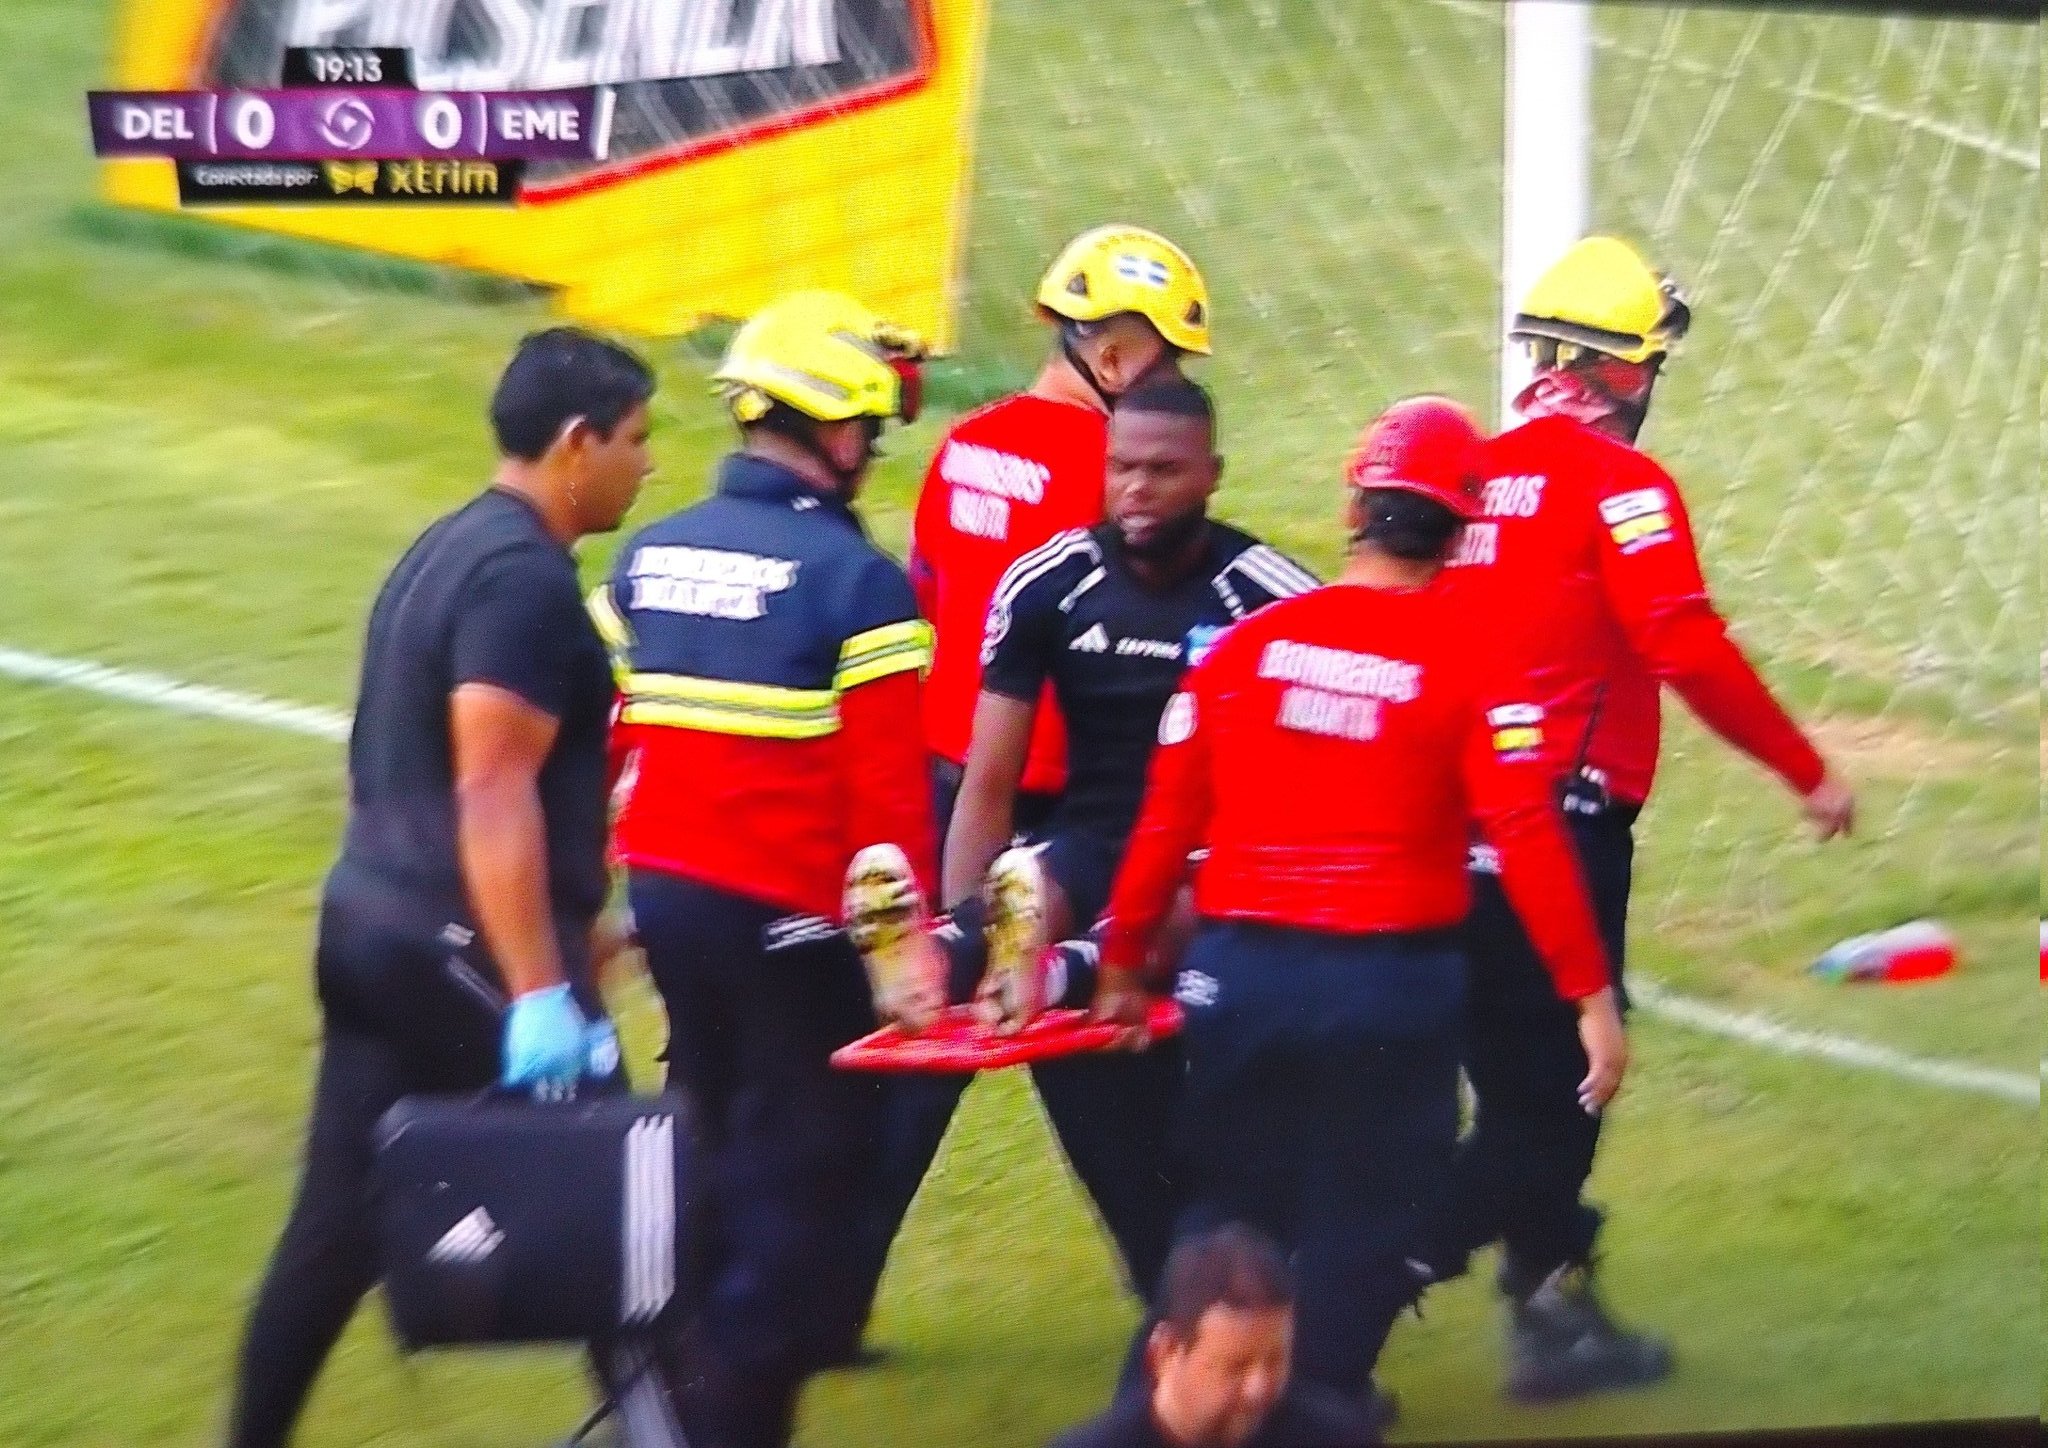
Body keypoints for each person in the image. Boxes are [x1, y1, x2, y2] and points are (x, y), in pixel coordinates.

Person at [1094, 396, 1627, 1417]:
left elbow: (1162, 824)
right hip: (1388, 986)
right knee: (1367, 1216)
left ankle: (1156, 1413)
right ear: (1459, 534)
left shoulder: (1244, 647)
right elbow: (1526, 833)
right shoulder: (1476, 661)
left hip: (1241, 974)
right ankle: (1309, 1408)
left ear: (1353, 507)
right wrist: (1589, 997)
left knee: (1225, 1208)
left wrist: (1120, 966)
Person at [1415, 237, 1855, 1401]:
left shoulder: (1469, 481)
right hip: (1555, 831)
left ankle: (1550, 1311)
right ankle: (1358, 1276)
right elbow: (1682, 645)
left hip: (1441, 831)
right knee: (1556, 1098)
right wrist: (1804, 769)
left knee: (1520, 1086)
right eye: (1650, 364)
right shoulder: (1619, 485)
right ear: (1622, 370)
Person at [225, 327, 656, 1448]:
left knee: (333, 1230)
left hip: (373, 922)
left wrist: (580, 924)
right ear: (576, 443)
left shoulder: (445, 547)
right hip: (470, 955)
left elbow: (391, 757)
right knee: (630, 1215)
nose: (648, 462)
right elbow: (491, 788)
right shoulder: (524, 583)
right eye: (636, 438)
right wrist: (538, 988)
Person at [850, 377, 1318, 1303]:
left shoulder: (1265, 595)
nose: (1137, 489)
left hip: (1204, 857)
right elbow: (988, 779)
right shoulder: (1050, 582)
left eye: (1163, 471)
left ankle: (1050, 969)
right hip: (1093, 831)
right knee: (1034, 881)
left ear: (1212, 475)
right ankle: (942, 954)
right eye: (1121, 468)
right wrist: (963, 906)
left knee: (1165, 911)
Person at [843, 225, 1216, 1354]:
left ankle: (824, 1303)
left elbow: (931, 594)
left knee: (923, 1056)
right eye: (1163, 360)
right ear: (1114, 352)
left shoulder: (967, 446)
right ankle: (1184, 1304)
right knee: (1109, 1059)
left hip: (951, 779)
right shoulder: (1106, 471)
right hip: (1059, 799)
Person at [586, 291, 935, 1448]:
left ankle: (656, 1396)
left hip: (668, 911)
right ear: (834, 427)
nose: (869, 451)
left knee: (708, 1149)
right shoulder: (858, 581)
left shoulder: (646, 555)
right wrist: (911, 963)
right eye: (867, 430)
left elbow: (610, 746)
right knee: (799, 1198)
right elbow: (887, 811)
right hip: (793, 930)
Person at [1048, 1226, 1377, 1448]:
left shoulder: (1336, 1437)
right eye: (1236, 1366)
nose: (1258, 1388)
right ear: (1165, 1353)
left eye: (1275, 1360)